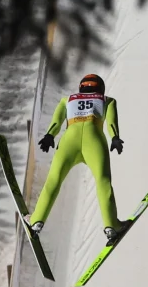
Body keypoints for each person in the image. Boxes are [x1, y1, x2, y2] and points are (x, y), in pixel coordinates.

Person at [28, 74, 129, 242]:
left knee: (53, 180)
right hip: (94, 140)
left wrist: (49, 136)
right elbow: (111, 122)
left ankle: (36, 220)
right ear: (100, 88)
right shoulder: (107, 100)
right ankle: (111, 225)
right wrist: (115, 138)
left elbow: (57, 120)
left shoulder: (67, 100)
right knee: (103, 182)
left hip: (69, 140)